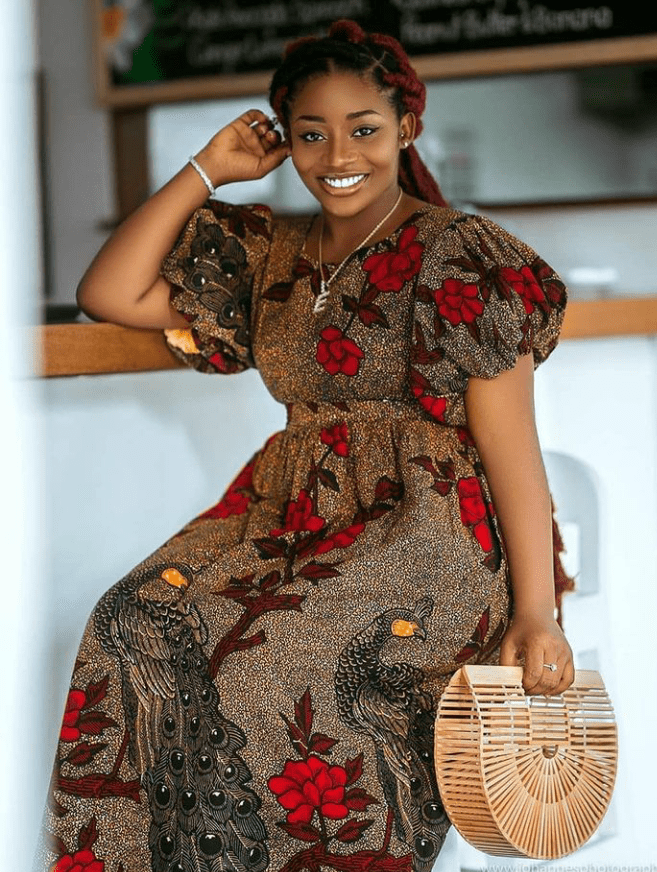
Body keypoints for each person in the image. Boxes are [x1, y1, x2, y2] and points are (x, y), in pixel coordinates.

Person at [39, 19, 575, 872]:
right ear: (284, 140)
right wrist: (207, 168)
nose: (338, 155)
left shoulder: (458, 254)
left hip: (427, 533)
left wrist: (536, 614)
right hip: (287, 516)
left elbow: (512, 446)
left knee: (275, 663)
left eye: (363, 128)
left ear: (406, 127)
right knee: (129, 618)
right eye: (311, 134)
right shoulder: (270, 255)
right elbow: (107, 291)